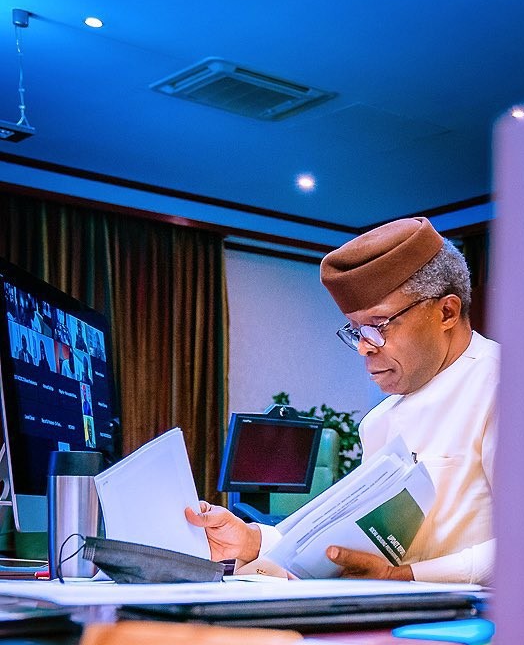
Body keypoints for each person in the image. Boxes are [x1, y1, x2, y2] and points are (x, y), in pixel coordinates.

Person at [186, 217, 499, 583]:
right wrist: (252, 540)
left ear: (446, 312)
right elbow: (346, 539)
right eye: (356, 330)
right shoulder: (379, 421)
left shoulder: (504, 385)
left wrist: (404, 576)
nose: (365, 347)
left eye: (378, 326)